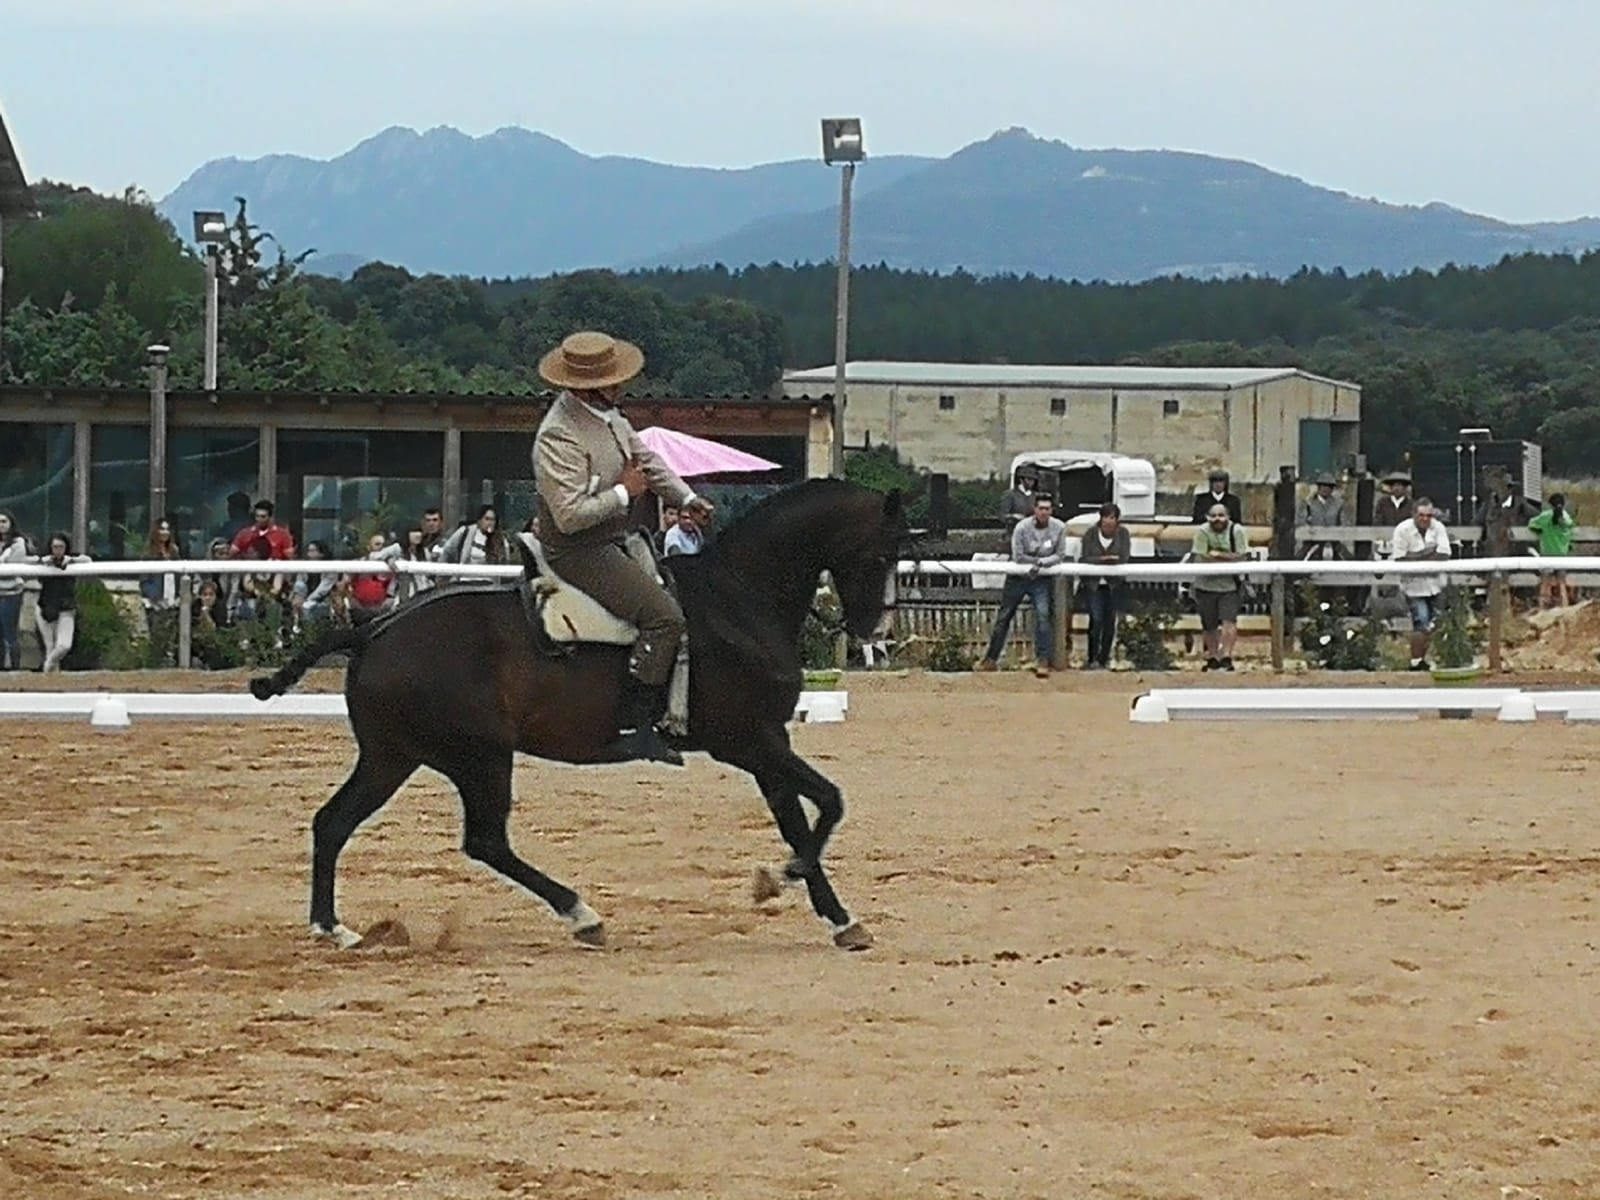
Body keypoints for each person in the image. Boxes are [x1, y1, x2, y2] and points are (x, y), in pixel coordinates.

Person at [532, 330, 710, 765]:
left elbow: (647, 462)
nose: (621, 387)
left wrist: (685, 498)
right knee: (664, 617)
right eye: (614, 381)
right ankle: (636, 722)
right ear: (588, 386)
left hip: (614, 538)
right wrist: (627, 494)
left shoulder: (611, 416)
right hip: (578, 550)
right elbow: (569, 516)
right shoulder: (558, 436)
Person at [976, 494, 1066, 679]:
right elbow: (1018, 555)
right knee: (1004, 617)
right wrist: (1040, 562)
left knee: (1042, 617)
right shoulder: (1022, 527)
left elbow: (1060, 554)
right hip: (1018, 577)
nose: (1044, 512)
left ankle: (1042, 660)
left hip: (1040, 578)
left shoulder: (1059, 528)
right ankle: (990, 659)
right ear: (1034, 510)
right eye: (1041, 508)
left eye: (1047, 509)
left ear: (1051, 511)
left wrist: (1039, 564)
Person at [1390, 498, 1452, 671]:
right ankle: (1416, 661)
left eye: (1428, 515)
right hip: (1414, 586)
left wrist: (1415, 556)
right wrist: (1427, 553)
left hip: (1436, 584)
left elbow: (1444, 554)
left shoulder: (1438, 527)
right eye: (1421, 515)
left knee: (1437, 623)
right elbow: (1400, 559)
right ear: (1413, 515)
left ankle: (1427, 658)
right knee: (1421, 621)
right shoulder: (1402, 530)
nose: (1425, 519)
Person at [1190, 502, 1249, 671]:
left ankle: (1226, 656)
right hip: (1204, 584)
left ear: (1228, 517)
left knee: (1229, 621)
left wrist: (1218, 555)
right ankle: (1213, 657)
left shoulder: (1237, 531)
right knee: (1208, 625)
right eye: (1214, 515)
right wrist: (1229, 557)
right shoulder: (1202, 531)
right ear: (1208, 517)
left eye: (1221, 515)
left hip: (1230, 585)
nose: (1218, 519)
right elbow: (1202, 556)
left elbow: (1242, 556)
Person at [1079, 502, 1131, 669]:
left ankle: (1104, 658)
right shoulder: (1090, 534)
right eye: (1105, 517)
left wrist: (1109, 561)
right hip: (1094, 584)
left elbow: (1124, 557)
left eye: (1112, 517)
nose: (1108, 521)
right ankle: (1092, 657)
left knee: (1110, 622)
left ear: (1117, 520)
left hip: (1113, 584)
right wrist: (1103, 560)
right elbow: (1086, 558)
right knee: (1096, 619)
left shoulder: (1123, 534)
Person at [34, 533, 92, 673]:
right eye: (55, 547)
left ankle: (48, 665)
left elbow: (88, 560)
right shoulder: (44, 560)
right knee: (50, 645)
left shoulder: (72, 559)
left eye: (61, 547)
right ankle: (52, 681)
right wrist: (42, 561)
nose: (57, 550)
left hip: (66, 607)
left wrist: (71, 560)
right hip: (45, 607)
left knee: (64, 645)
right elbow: (28, 563)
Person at [1527, 493, 1576, 609]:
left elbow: (1531, 524)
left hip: (1547, 555)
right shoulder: (1568, 520)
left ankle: (1542, 609)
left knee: (1545, 584)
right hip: (1562, 556)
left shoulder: (1546, 517)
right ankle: (1564, 610)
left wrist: (1540, 532)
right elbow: (1571, 537)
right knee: (1562, 584)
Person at [0, 511, 29, 670]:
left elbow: (13, 566)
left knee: (10, 633)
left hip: (11, 593)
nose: (1, 525)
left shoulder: (18, 543)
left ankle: (15, 668)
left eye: (4, 521)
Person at [229, 499, 296, 561]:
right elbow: (231, 554)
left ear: (270, 517)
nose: (259, 519)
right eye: (257, 516)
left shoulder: (282, 534)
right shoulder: (244, 533)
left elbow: (290, 558)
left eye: (263, 517)